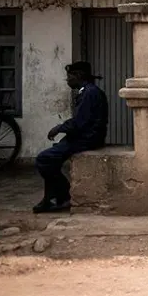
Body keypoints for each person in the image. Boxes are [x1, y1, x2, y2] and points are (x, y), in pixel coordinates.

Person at [33, 62, 109, 214]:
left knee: (43, 159)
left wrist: (59, 128)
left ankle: (63, 194)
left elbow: (79, 122)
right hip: (85, 136)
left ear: (78, 76)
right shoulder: (88, 91)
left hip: (87, 138)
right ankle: (53, 198)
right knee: (52, 159)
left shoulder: (89, 93)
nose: (67, 80)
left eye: (69, 77)